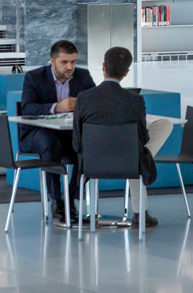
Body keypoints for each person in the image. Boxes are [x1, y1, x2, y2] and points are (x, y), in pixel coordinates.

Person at [73, 45, 174, 229]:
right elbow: (142, 137)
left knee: (137, 153)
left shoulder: (84, 97)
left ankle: (141, 159)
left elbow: (77, 139)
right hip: (128, 162)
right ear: (127, 73)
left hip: (91, 162)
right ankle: (140, 209)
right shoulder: (135, 100)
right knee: (143, 148)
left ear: (103, 66)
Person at [19, 39, 95, 226]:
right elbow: (27, 108)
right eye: (64, 62)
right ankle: (56, 201)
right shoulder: (34, 77)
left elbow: (95, 102)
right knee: (49, 142)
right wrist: (56, 107)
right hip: (38, 133)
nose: (70, 67)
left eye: (73, 62)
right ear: (52, 61)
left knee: (89, 144)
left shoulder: (83, 77)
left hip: (69, 134)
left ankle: (70, 197)